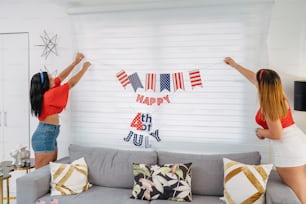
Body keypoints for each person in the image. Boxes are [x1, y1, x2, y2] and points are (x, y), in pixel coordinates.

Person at [224, 57, 306, 204]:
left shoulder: (269, 107)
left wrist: (260, 132)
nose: (255, 82)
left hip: (288, 149)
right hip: (295, 142)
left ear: (263, 87)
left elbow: (277, 133)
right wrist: (235, 65)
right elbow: (253, 78)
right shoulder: (276, 95)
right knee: (299, 190)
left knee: (298, 195)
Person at [30, 52, 91, 169]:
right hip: (45, 135)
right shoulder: (49, 95)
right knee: (41, 173)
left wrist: (75, 63)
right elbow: (71, 83)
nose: (54, 79)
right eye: (50, 79)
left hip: (50, 134)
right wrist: (84, 68)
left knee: (51, 171)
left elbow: (62, 76)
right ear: (45, 85)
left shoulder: (48, 91)